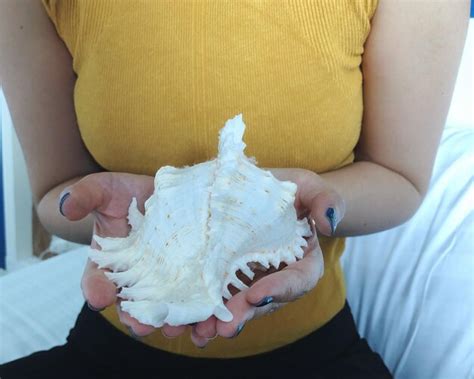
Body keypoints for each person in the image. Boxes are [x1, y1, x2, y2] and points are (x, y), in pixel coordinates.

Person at [0, 0, 469, 377]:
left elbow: (399, 176)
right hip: (112, 344)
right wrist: (129, 222)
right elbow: (53, 192)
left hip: (312, 351)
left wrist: (299, 208)